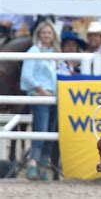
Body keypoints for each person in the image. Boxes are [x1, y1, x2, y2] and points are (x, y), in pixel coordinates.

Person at [20, 20, 60, 181]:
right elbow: (27, 76)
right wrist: (42, 91)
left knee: (49, 132)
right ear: (39, 34)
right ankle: (33, 165)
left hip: (54, 96)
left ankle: (43, 167)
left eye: (49, 32)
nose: (46, 35)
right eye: (44, 32)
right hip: (41, 95)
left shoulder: (54, 52)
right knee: (41, 130)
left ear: (53, 35)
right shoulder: (34, 50)